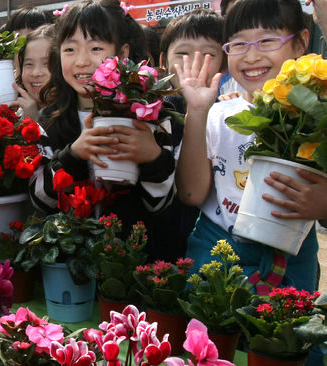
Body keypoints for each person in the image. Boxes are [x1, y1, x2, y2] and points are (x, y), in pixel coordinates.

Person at [176, 0, 327, 295]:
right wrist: (196, 112)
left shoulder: (317, 119)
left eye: (267, 40)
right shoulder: (218, 115)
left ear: (301, 43)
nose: (252, 55)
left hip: (292, 257)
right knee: (212, 336)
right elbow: (192, 193)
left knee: (282, 336)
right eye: (238, 44)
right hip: (218, 249)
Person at [31, 0, 174, 240]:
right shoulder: (50, 119)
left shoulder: (149, 114)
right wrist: (73, 154)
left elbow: (160, 204)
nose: (81, 61)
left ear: (123, 53)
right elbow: (39, 200)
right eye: (70, 49)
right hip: (70, 261)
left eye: (96, 48)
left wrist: (152, 156)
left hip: (134, 258)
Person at [138, 8, 225, 262]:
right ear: (163, 60)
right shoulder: (154, 112)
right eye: (183, 54)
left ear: (225, 61)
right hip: (159, 248)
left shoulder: (228, 114)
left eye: (209, 54)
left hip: (212, 250)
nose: (194, 64)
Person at [11, 24, 54, 121]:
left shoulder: (74, 116)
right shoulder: (17, 113)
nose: (36, 73)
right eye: (29, 64)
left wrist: (34, 122)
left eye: (47, 64)